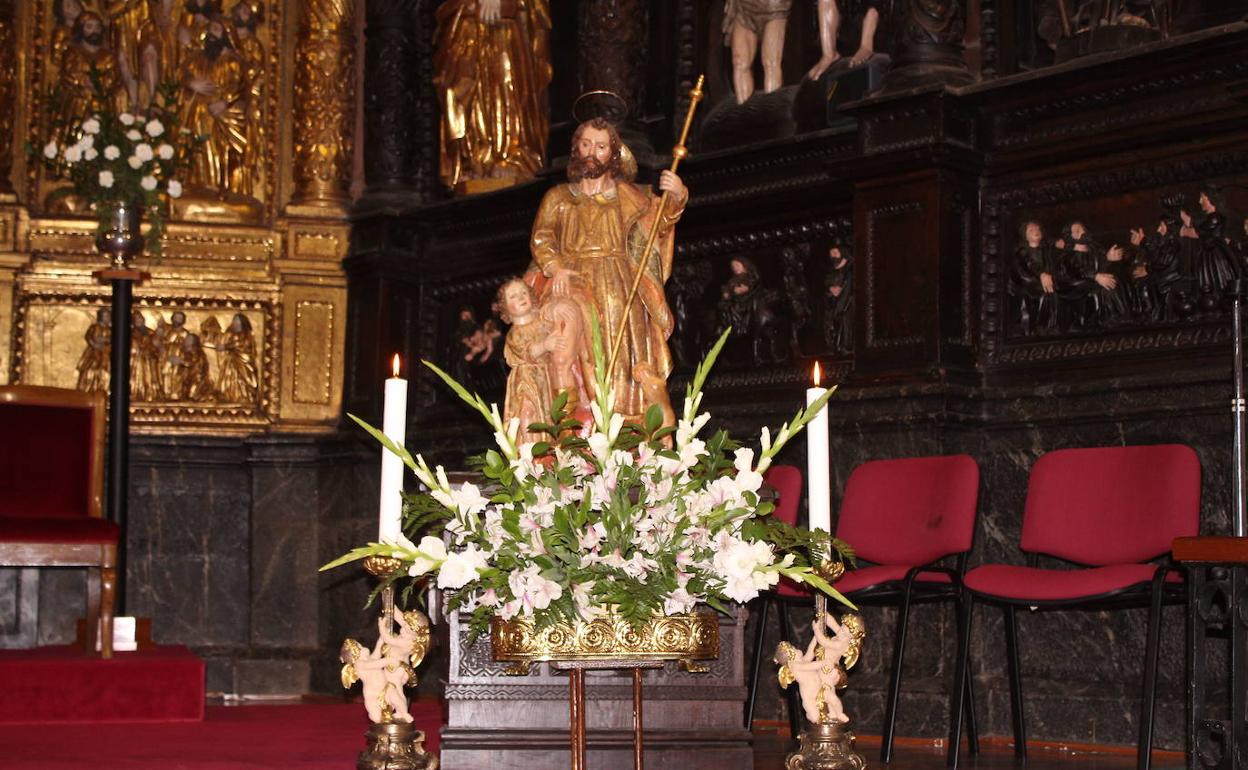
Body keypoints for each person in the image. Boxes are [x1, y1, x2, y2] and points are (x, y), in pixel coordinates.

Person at [528, 118, 686, 423]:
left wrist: (676, 195)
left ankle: (623, 420)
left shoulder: (628, 196)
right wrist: (555, 267)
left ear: (612, 154)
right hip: (571, 277)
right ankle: (573, 424)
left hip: (618, 280)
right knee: (567, 342)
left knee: (621, 346)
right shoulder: (558, 197)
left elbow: (658, 223)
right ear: (576, 149)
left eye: (600, 147)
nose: (592, 152)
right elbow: (542, 237)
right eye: (586, 144)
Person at [433, 0, 552, 190]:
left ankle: (511, 156)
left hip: (507, 28)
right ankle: (475, 160)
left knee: (506, 85)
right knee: (464, 91)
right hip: (467, 28)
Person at [498, 278, 559, 444]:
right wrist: (545, 345)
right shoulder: (514, 334)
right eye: (513, 296)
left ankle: (545, 448)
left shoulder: (542, 322)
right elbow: (526, 352)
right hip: (525, 378)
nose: (520, 297)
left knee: (546, 413)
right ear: (505, 308)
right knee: (526, 411)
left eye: (524, 293)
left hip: (545, 375)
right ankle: (528, 449)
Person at [723, 0, 791, 103]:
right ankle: (745, 109)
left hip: (774, 6)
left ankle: (771, 109)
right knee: (740, 61)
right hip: (743, 5)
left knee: (771, 63)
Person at [807, 0, 882, 80]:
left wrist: (865, 45)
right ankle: (829, 54)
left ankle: (866, 45)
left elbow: (874, 10)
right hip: (846, 27)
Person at [215, 313, 259, 404]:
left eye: (237, 322)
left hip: (244, 361)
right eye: (234, 322)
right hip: (232, 361)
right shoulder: (231, 334)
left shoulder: (247, 335)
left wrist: (225, 347)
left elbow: (241, 345)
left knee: (243, 379)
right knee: (230, 377)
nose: (235, 324)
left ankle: (244, 396)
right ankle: (230, 395)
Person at [76, 308, 111, 394]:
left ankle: (104, 390)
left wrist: (105, 341)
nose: (107, 318)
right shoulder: (95, 327)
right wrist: (95, 344)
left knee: (105, 370)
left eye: (108, 316)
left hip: (106, 353)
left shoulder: (110, 329)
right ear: (100, 317)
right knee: (90, 369)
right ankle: (87, 390)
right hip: (94, 352)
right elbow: (89, 337)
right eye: (105, 316)